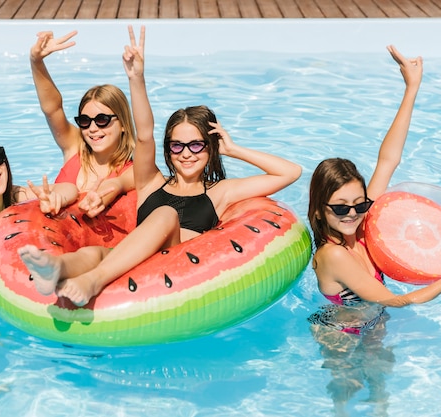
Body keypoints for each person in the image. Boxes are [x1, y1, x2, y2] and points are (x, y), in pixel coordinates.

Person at [17, 25, 303, 307]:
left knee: (166, 214)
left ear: (209, 148)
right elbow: (144, 134)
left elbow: (291, 172)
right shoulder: (150, 181)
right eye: (177, 146)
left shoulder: (221, 192)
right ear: (168, 150)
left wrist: (234, 149)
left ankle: (93, 280)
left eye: (197, 145)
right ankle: (55, 267)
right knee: (94, 252)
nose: (186, 154)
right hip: (133, 263)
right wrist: (136, 78)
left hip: (178, 273)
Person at [307, 45, 441, 335]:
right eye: (340, 207)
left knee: (380, 379)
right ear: (319, 211)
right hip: (340, 333)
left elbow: (389, 160)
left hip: (375, 321)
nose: (352, 214)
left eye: (360, 205)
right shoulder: (333, 255)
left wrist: (411, 87)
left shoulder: (360, 227)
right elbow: (398, 300)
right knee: (349, 384)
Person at [30, 30, 136, 217]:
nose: (92, 129)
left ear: (123, 124)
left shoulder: (131, 171)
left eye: (102, 120)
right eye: (85, 121)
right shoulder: (75, 148)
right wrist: (36, 62)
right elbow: (52, 109)